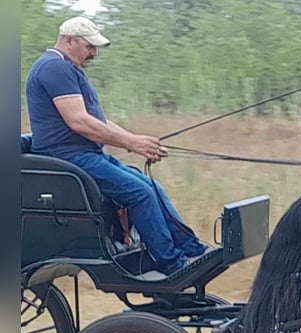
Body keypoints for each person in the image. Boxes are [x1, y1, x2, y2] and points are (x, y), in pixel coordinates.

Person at [25, 16, 207, 274]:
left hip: (86, 154)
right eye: (89, 46)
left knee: (150, 186)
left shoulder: (68, 68)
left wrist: (138, 141)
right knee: (139, 193)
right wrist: (132, 143)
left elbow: (98, 121)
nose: (94, 53)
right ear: (69, 40)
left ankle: (192, 251)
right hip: (68, 158)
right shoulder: (54, 68)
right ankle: (172, 265)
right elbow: (79, 122)